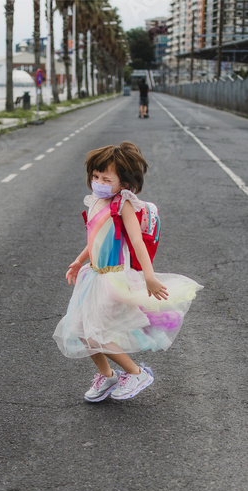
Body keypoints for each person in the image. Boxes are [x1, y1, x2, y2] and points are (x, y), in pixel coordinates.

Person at [53, 141, 203, 403]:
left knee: (95, 333)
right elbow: (96, 237)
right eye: (95, 176)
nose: (98, 181)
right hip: (94, 274)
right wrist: (79, 261)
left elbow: (135, 241)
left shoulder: (123, 204)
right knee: (80, 328)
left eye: (105, 178)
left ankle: (136, 373)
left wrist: (149, 276)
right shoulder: (98, 200)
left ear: (123, 183)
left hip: (113, 278)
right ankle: (108, 375)